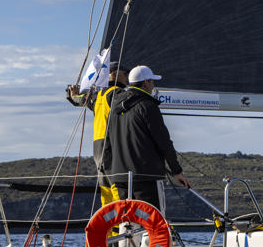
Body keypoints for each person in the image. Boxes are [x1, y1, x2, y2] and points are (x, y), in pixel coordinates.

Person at [103, 65, 190, 211]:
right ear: (145, 83)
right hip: (146, 177)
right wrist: (176, 171)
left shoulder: (115, 108)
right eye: (152, 81)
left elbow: (108, 142)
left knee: (127, 221)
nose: (153, 85)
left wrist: (113, 172)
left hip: (120, 177)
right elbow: (163, 142)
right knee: (152, 219)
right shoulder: (148, 106)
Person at [66, 62, 129, 206]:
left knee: (106, 189)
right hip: (112, 145)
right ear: (113, 74)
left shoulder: (98, 96)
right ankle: (121, 219)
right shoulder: (117, 94)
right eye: (125, 74)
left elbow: (79, 100)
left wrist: (73, 95)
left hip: (98, 147)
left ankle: (109, 220)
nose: (128, 78)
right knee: (117, 186)